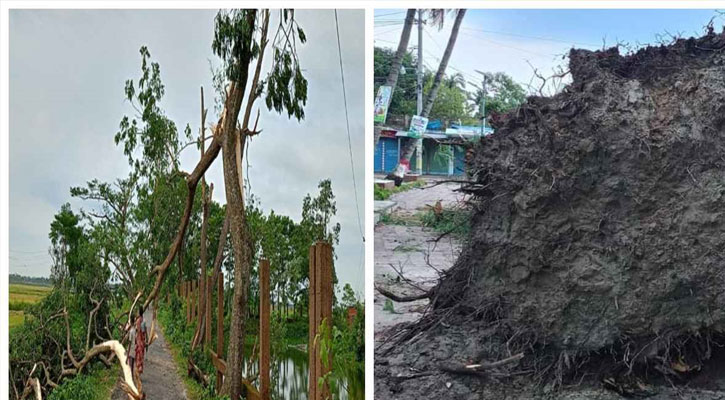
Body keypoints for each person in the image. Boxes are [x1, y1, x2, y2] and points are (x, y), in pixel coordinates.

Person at [135, 308, 147, 374]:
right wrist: (147, 339)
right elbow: (145, 331)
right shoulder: (144, 321)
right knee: (141, 354)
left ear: (139, 313)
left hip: (139, 340)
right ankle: (140, 369)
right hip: (143, 340)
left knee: (138, 355)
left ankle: (138, 369)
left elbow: (137, 331)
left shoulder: (137, 321)